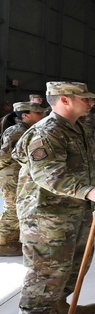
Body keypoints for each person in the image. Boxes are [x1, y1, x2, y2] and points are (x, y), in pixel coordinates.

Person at [13, 82, 95, 314]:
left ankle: (56, 305)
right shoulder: (47, 132)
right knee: (47, 268)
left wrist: (87, 191)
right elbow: (47, 174)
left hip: (73, 209)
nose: (91, 103)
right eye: (85, 99)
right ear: (65, 100)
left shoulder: (75, 127)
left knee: (76, 260)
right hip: (47, 214)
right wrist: (86, 191)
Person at [0, 101, 48, 256]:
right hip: (11, 175)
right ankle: (3, 243)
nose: (42, 115)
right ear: (26, 115)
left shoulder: (30, 129)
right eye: (38, 113)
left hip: (21, 175)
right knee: (13, 208)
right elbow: (5, 155)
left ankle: (14, 239)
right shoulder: (17, 131)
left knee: (21, 208)